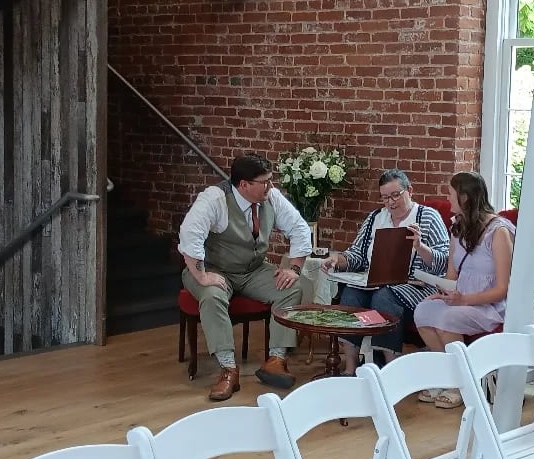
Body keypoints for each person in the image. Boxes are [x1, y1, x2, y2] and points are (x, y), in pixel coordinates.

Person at [178, 153, 312, 401]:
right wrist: (202, 276)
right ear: (244, 185)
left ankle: (276, 361)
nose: (270, 186)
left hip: (253, 269)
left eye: (270, 180)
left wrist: (293, 269)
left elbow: (299, 228)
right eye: (264, 182)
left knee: (292, 287)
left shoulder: (271, 197)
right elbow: (190, 235)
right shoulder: (215, 198)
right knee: (212, 296)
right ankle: (228, 369)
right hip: (216, 269)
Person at [320, 169, 450, 375]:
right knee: (351, 295)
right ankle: (351, 367)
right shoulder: (375, 218)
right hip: (374, 281)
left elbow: (444, 261)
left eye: (395, 195)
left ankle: (389, 370)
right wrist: (338, 259)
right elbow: (357, 254)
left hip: (415, 286)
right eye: (385, 198)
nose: (390, 202)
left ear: (410, 191)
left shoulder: (428, 217)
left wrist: (421, 247)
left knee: (384, 297)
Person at [413, 171, 515, 409]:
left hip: (489, 305)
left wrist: (464, 299)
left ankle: (460, 385)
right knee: (423, 311)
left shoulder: (499, 232)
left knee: (447, 319)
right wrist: (443, 293)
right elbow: (452, 276)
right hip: (460, 299)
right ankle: (447, 376)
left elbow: (502, 289)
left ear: (465, 197)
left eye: (451, 193)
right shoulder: (457, 227)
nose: (447, 198)